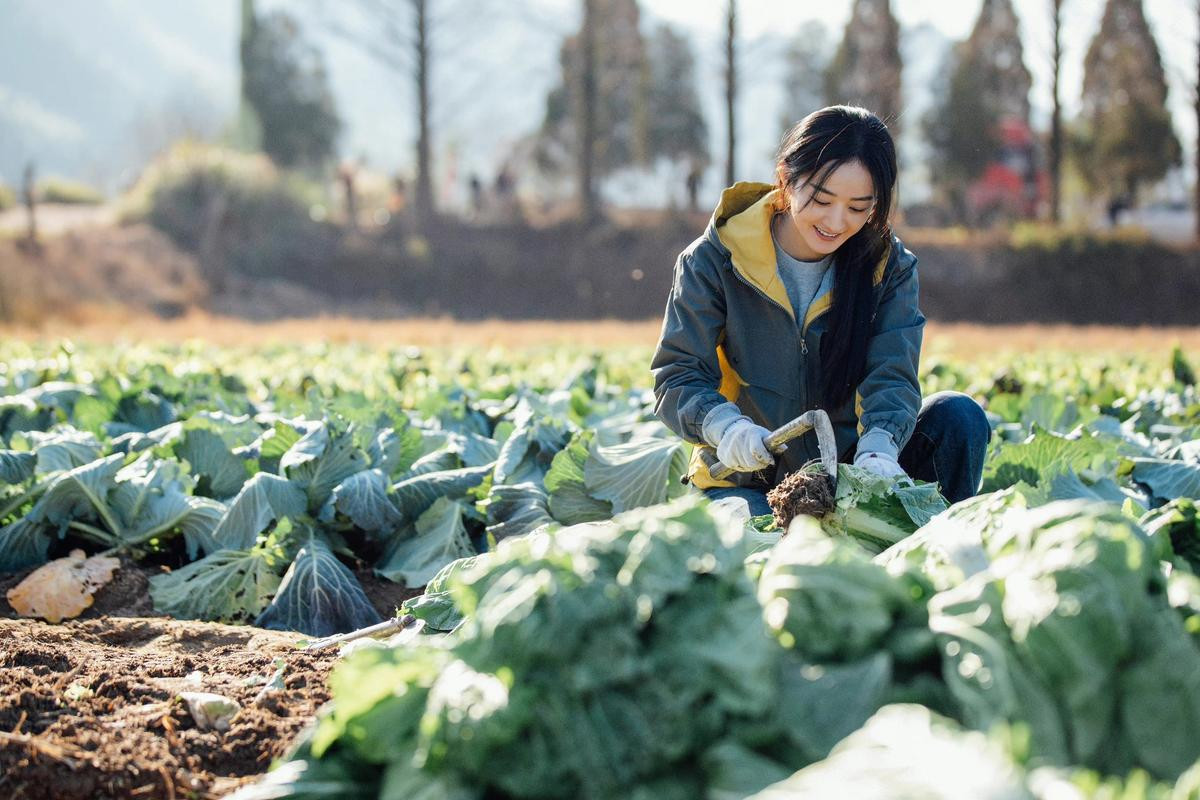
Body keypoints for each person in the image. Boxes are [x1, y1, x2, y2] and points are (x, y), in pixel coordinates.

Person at [651, 105, 990, 518]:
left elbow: (892, 375)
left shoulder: (889, 269)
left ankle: (939, 547)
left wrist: (879, 452)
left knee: (959, 417)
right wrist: (724, 428)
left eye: (858, 207)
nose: (836, 222)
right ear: (787, 178)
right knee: (755, 543)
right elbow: (678, 375)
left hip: (854, 473)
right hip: (748, 476)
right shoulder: (713, 260)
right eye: (822, 198)